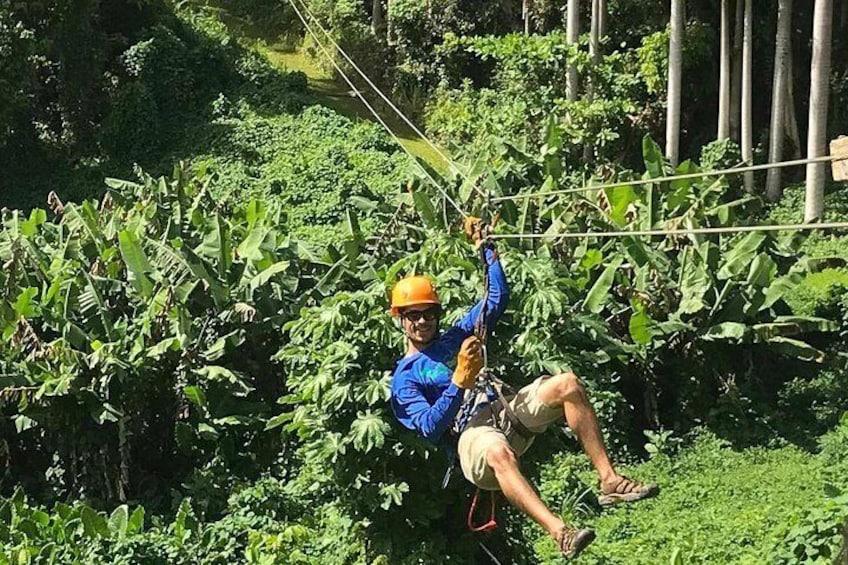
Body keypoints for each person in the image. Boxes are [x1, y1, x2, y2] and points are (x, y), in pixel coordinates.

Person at [389, 218, 658, 559]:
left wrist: (486, 250)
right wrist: (459, 380)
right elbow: (428, 428)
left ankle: (609, 480)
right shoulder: (405, 377)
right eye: (414, 315)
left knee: (567, 384)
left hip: (503, 410)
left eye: (428, 313)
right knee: (498, 451)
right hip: (471, 438)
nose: (422, 321)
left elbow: (496, 297)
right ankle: (560, 532)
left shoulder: (455, 336)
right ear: (400, 319)